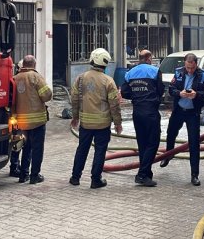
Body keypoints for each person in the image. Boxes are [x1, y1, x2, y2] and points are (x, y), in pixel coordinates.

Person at [69, 48, 123, 189]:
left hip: (85, 124)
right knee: (100, 151)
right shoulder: (108, 81)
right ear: (105, 63)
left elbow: (74, 99)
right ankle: (95, 180)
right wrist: (118, 123)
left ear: (92, 60)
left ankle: (75, 177)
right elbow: (114, 105)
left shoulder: (80, 78)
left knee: (82, 149)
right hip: (103, 125)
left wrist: (75, 117)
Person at [160, 53, 204, 186]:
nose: (190, 70)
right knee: (170, 133)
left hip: (192, 113)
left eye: (192, 68)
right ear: (184, 64)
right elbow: (171, 89)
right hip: (178, 110)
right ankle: (168, 155)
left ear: (196, 64)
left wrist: (196, 95)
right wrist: (179, 93)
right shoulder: (178, 73)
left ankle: (194, 174)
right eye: (188, 67)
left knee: (194, 143)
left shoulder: (203, 75)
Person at [120, 49, 164, 187]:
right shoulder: (155, 71)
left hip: (137, 112)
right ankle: (142, 174)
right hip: (150, 111)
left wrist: (136, 96)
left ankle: (146, 174)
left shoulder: (130, 73)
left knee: (142, 144)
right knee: (153, 143)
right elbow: (161, 90)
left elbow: (125, 92)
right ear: (149, 58)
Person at [13, 55, 53, 184]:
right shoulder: (36, 77)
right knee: (37, 149)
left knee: (26, 147)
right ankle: (35, 175)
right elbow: (47, 95)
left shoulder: (15, 78)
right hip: (37, 121)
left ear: (23, 64)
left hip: (21, 122)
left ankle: (23, 175)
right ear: (34, 65)